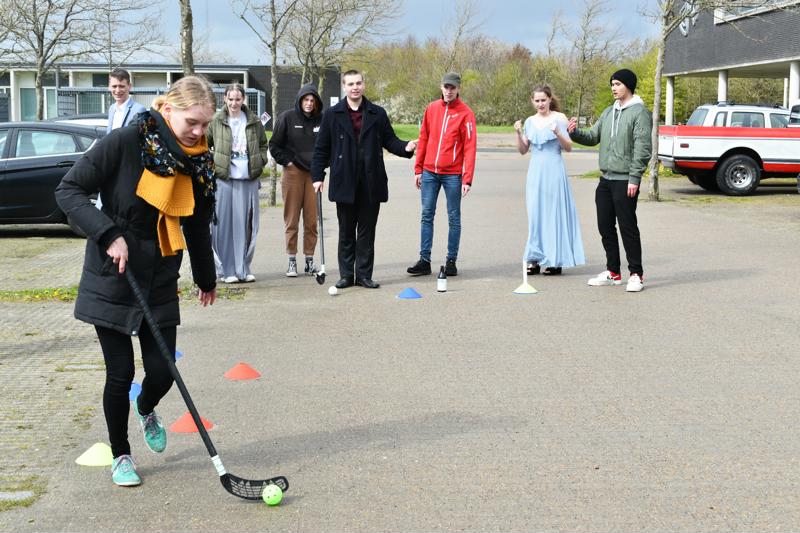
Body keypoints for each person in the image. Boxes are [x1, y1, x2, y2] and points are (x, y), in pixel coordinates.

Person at [55, 76, 218, 487]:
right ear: (168, 110)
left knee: (162, 371)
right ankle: (121, 454)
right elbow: (69, 189)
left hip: (161, 270)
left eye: (205, 125)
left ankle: (146, 407)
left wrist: (205, 276)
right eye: (192, 122)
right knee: (120, 372)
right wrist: (109, 234)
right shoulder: (126, 142)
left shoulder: (196, 161)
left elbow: (197, 223)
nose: (198, 132)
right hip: (114, 273)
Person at [311, 70, 416, 289]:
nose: (355, 87)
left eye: (358, 83)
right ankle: (346, 275)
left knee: (367, 232)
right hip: (345, 180)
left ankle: (364, 275)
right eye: (350, 84)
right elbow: (321, 148)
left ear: (364, 85)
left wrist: (405, 147)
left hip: (371, 180)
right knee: (346, 231)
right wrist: (317, 176)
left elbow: (390, 140)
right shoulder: (332, 114)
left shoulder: (377, 113)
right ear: (344, 87)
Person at [567, 68, 652, 292]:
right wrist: (575, 133)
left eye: (617, 84)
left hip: (626, 180)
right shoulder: (608, 112)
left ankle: (636, 274)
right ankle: (613, 272)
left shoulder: (639, 112)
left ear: (628, 86)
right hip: (605, 179)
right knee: (605, 226)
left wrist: (635, 177)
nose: (614, 88)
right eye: (612, 84)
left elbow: (643, 148)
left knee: (627, 227)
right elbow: (593, 136)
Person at [406, 72, 477, 278]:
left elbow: (470, 147)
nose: (449, 91)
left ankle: (451, 260)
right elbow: (424, 138)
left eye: (452, 87)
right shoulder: (431, 108)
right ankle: (424, 260)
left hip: (452, 175)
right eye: (446, 87)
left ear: (458, 89)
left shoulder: (466, 113)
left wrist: (467, 178)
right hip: (429, 172)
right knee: (426, 215)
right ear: (441, 87)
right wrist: (418, 168)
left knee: (454, 217)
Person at [514, 85, 585, 276]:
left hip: (554, 169)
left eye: (543, 100)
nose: (540, 104)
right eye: (536, 101)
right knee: (536, 215)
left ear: (549, 99)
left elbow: (568, 147)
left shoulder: (559, 118)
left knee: (553, 214)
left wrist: (557, 132)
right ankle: (535, 259)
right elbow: (523, 150)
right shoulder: (529, 121)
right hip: (536, 172)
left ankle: (555, 260)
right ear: (532, 101)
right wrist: (518, 134)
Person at [206, 83, 269, 283]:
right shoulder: (216, 121)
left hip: (247, 180)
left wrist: (260, 161)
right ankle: (225, 270)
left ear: (243, 100)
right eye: (231, 99)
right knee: (222, 226)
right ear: (225, 98)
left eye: (238, 99)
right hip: (223, 180)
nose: (234, 103)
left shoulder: (253, 121)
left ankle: (243, 268)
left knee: (246, 224)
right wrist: (213, 164)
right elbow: (204, 144)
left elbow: (262, 144)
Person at [269, 84, 323, 277]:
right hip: (293, 173)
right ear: (300, 101)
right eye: (305, 100)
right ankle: (292, 259)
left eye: (312, 100)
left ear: (316, 102)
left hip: (314, 175)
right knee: (292, 219)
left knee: (311, 220)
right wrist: (288, 161)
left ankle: (309, 260)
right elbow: (274, 145)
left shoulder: (321, 120)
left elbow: (329, 145)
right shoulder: (287, 118)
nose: (308, 104)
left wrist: (323, 167)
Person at [97, 68, 148, 210]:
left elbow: (138, 142)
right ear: (109, 87)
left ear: (129, 87)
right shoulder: (112, 108)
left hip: (126, 165)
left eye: (121, 86)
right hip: (111, 164)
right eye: (114, 86)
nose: (117, 90)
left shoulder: (139, 110)